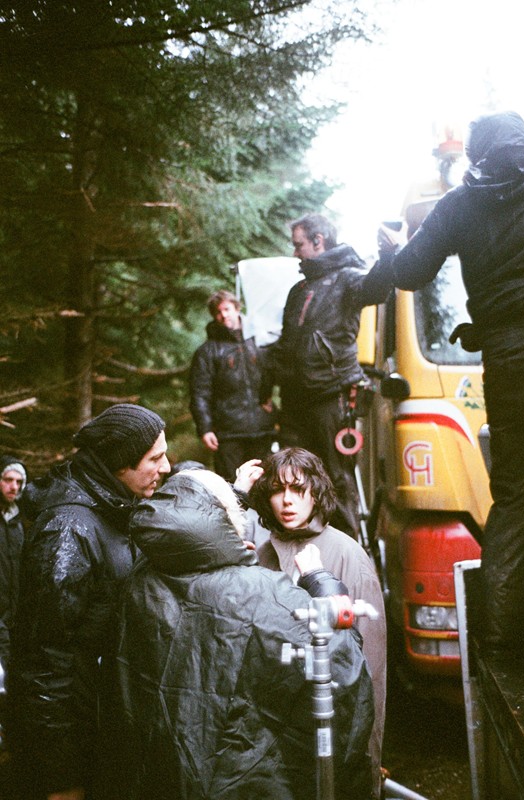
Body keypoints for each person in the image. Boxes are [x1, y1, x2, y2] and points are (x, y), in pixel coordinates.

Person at [115, 468, 375, 800]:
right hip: (246, 784)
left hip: (158, 777)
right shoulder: (263, 592)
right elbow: (344, 669)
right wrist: (320, 582)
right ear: (225, 519)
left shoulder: (139, 581)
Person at [374, 111, 524, 657]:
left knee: (515, 494)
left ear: (477, 155)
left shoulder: (459, 204)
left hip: (509, 362)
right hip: (508, 340)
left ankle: (502, 640)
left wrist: (391, 248)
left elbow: (409, 272)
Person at [8, 403, 172, 800]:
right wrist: (61, 777)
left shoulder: (113, 507)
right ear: (120, 464)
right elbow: (43, 663)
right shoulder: (68, 530)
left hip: (103, 732)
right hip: (71, 754)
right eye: (155, 458)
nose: (166, 467)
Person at [250, 447, 387, 800]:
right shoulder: (263, 553)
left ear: (316, 494)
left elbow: (372, 665)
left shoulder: (347, 554)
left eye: (298, 489)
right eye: (277, 490)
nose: (287, 500)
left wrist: (369, 758)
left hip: (333, 719)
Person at [267, 214, 391, 537]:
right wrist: (265, 390)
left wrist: (388, 255)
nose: (295, 252)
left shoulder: (348, 278)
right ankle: (300, 549)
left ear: (318, 241)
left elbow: (376, 289)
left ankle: (348, 552)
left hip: (332, 395)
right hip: (294, 400)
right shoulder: (298, 290)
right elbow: (284, 345)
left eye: (299, 245)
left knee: (336, 477)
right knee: (292, 477)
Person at [189, 289, 276, 482]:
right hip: (228, 433)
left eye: (227, 309)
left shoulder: (259, 341)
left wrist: (269, 402)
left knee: (264, 484)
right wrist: (205, 428)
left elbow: (274, 373)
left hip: (262, 429)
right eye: (218, 312)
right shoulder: (207, 352)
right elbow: (200, 393)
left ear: (237, 309)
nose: (223, 315)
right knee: (231, 486)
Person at [0, 457, 27, 681]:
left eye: (19, 482)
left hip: (15, 613)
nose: (14, 486)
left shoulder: (21, 519)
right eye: (8, 480)